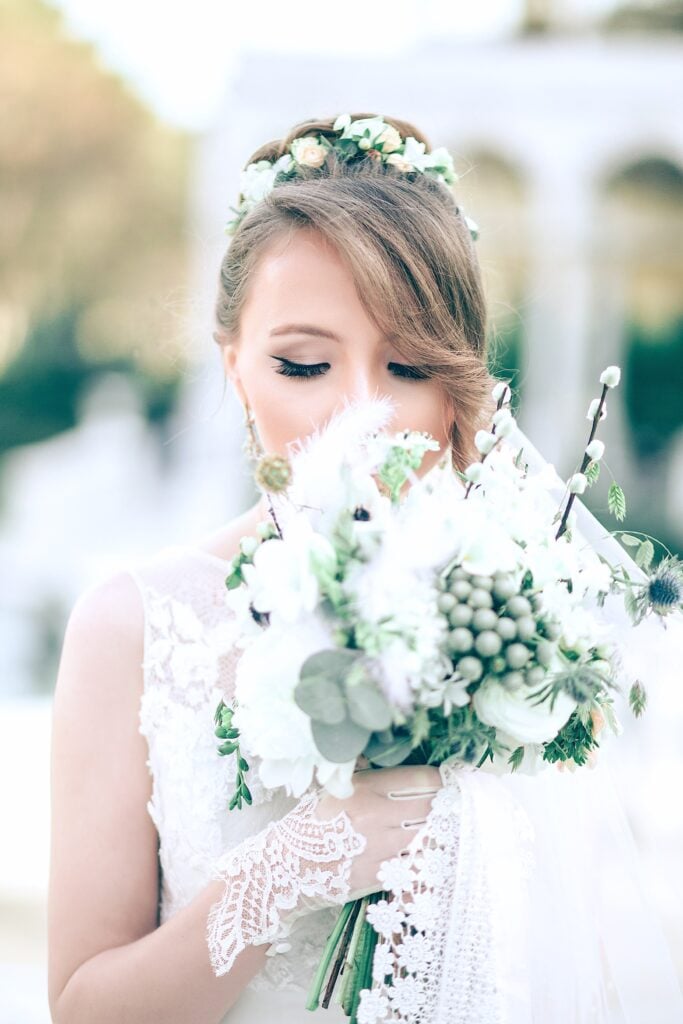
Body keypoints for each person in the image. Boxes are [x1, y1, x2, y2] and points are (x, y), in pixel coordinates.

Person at [47, 112, 682, 1024]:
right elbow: (80, 1006)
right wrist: (288, 869)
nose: (360, 412)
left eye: (409, 365)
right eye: (302, 363)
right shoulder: (133, 627)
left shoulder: (521, 614)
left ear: (459, 386)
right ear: (234, 366)